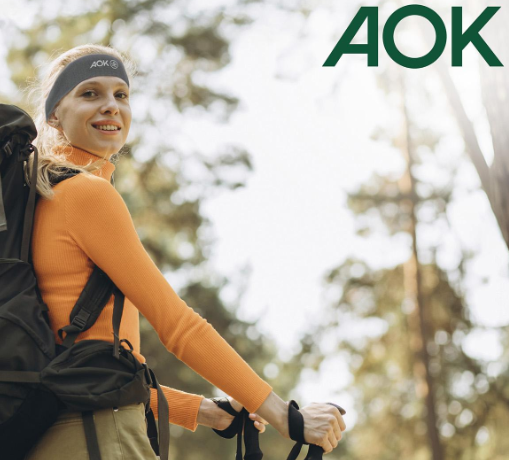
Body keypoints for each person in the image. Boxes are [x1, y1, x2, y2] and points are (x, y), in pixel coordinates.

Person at [22, 44, 346, 459]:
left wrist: (205, 412)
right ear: (54, 114)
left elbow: (75, 370)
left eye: (121, 95)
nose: (111, 107)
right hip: (100, 438)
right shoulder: (86, 195)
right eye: (90, 94)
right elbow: (176, 325)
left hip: (47, 438)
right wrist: (284, 414)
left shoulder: (36, 202)